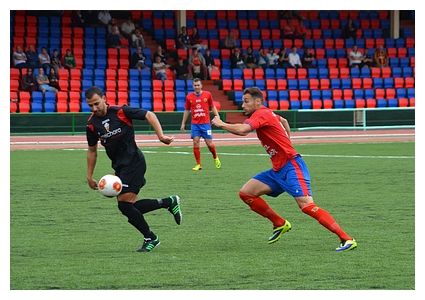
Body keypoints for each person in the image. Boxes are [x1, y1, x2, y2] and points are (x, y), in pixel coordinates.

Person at [211, 87, 357, 252]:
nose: (242, 105)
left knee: (307, 206)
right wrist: (287, 139)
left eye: (246, 101)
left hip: (291, 166)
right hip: (278, 169)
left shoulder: (261, 114)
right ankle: (279, 223)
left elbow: (244, 131)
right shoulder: (268, 113)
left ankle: (347, 239)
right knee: (246, 193)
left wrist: (221, 124)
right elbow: (284, 121)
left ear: (258, 101)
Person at [85, 86, 182, 253]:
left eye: (96, 103)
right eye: (90, 106)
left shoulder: (121, 111)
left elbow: (149, 114)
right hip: (120, 168)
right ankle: (168, 202)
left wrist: (161, 136)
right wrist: (89, 176)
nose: (94, 108)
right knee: (128, 206)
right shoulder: (92, 125)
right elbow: (92, 151)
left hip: (135, 163)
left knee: (124, 206)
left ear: (104, 98)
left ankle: (151, 237)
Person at [180, 78, 221, 171]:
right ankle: (198, 164)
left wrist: (217, 116)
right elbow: (186, 110)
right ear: (193, 86)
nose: (197, 87)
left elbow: (212, 106)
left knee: (209, 144)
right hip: (195, 124)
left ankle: (215, 158)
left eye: (198, 85)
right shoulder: (189, 97)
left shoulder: (208, 94)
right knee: (195, 142)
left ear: (201, 85)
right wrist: (183, 123)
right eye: (195, 85)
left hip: (206, 124)